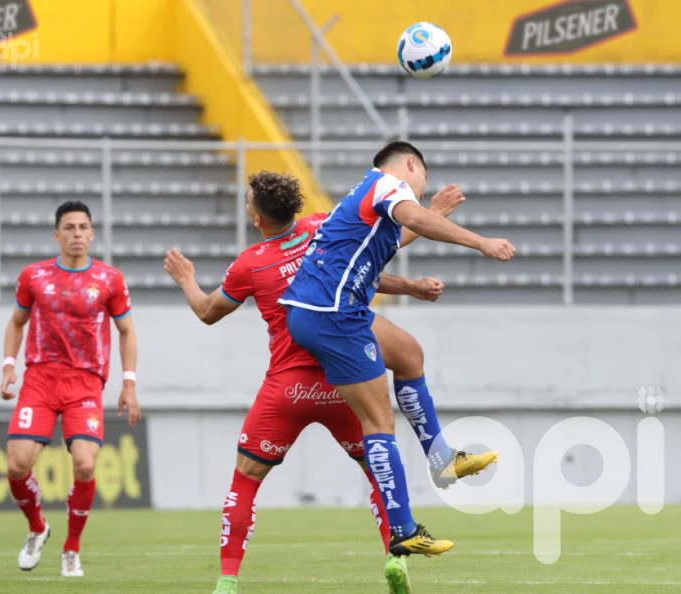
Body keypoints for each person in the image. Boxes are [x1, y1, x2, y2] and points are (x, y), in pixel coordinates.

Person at [164, 171, 474, 594]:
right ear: (296, 207)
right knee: (377, 466)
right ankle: (395, 556)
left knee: (246, 479)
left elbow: (207, 311)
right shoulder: (320, 229)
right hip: (341, 379)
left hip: (287, 388)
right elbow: (364, 262)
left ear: (256, 218)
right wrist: (413, 281)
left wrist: (184, 277)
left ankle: (227, 581)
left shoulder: (249, 264)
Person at [279, 140, 515, 557]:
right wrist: (481, 242)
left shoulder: (366, 198)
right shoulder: (389, 185)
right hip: (333, 314)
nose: (420, 193)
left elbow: (374, 254)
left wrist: (412, 283)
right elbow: (415, 219)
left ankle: (442, 458)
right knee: (379, 421)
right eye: (421, 183)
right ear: (411, 164)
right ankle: (403, 529)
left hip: (326, 308)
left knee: (409, 353)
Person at [0, 201, 141, 578]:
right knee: (16, 464)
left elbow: (126, 331)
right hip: (41, 379)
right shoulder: (34, 275)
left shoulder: (110, 279)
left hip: (85, 383)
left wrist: (129, 384)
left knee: (84, 463)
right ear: (57, 234)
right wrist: (9, 366)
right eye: (70, 227)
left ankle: (71, 549)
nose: (77, 233)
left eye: (83, 227)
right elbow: (16, 322)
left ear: (92, 233)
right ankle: (36, 528)